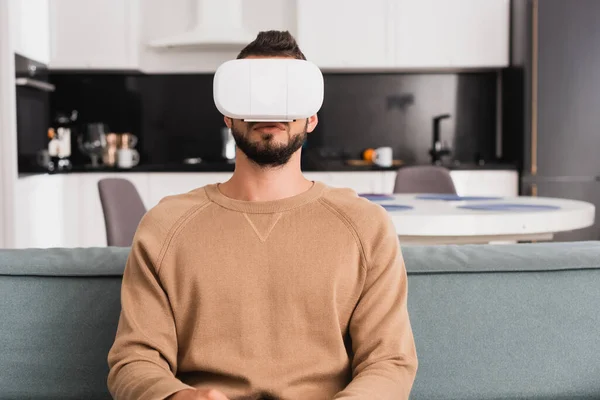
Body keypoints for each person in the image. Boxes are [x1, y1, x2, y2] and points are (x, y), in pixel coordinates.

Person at [107, 30, 418, 400]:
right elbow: (133, 359)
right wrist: (179, 397)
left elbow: (389, 361)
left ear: (312, 116)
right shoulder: (164, 227)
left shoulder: (368, 228)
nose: (269, 109)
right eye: (253, 92)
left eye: (285, 92)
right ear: (227, 114)